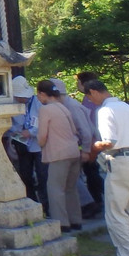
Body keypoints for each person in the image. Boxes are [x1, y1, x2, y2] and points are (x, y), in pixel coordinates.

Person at [87, 80, 129, 256]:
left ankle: (127, 255)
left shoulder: (105, 110)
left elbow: (109, 141)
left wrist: (94, 148)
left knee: (116, 210)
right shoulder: (128, 108)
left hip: (120, 160)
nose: (90, 100)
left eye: (88, 96)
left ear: (93, 92)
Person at [36, 80, 82, 232]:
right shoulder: (63, 107)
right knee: (70, 188)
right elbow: (74, 130)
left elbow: (42, 135)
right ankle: (76, 219)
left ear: (42, 94)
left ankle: (61, 222)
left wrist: (40, 143)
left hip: (58, 153)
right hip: (74, 151)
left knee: (55, 188)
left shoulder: (46, 110)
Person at [51, 78, 100, 219]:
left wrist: (85, 150)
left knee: (79, 177)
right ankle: (89, 204)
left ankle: (90, 204)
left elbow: (85, 130)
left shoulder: (71, 106)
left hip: (87, 144)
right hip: (79, 145)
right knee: (78, 177)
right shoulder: (66, 105)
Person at [9, 76, 47, 203]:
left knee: (43, 175)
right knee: (25, 175)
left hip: (38, 144)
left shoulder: (39, 103)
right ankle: (31, 201)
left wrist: (30, 132)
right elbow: (11, 126)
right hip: (22, 144)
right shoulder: (12, 104)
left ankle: (45, 204)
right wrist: (17, 134)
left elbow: (43, 124)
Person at [76, 71, 105, 209]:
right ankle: (99, 198)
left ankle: (97, 199)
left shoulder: (89, 100)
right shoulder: (96, 98)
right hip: (98, 138)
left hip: (95, 139)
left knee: (91, 170)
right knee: (94, 170)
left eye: (78, 82)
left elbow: (89, 122)